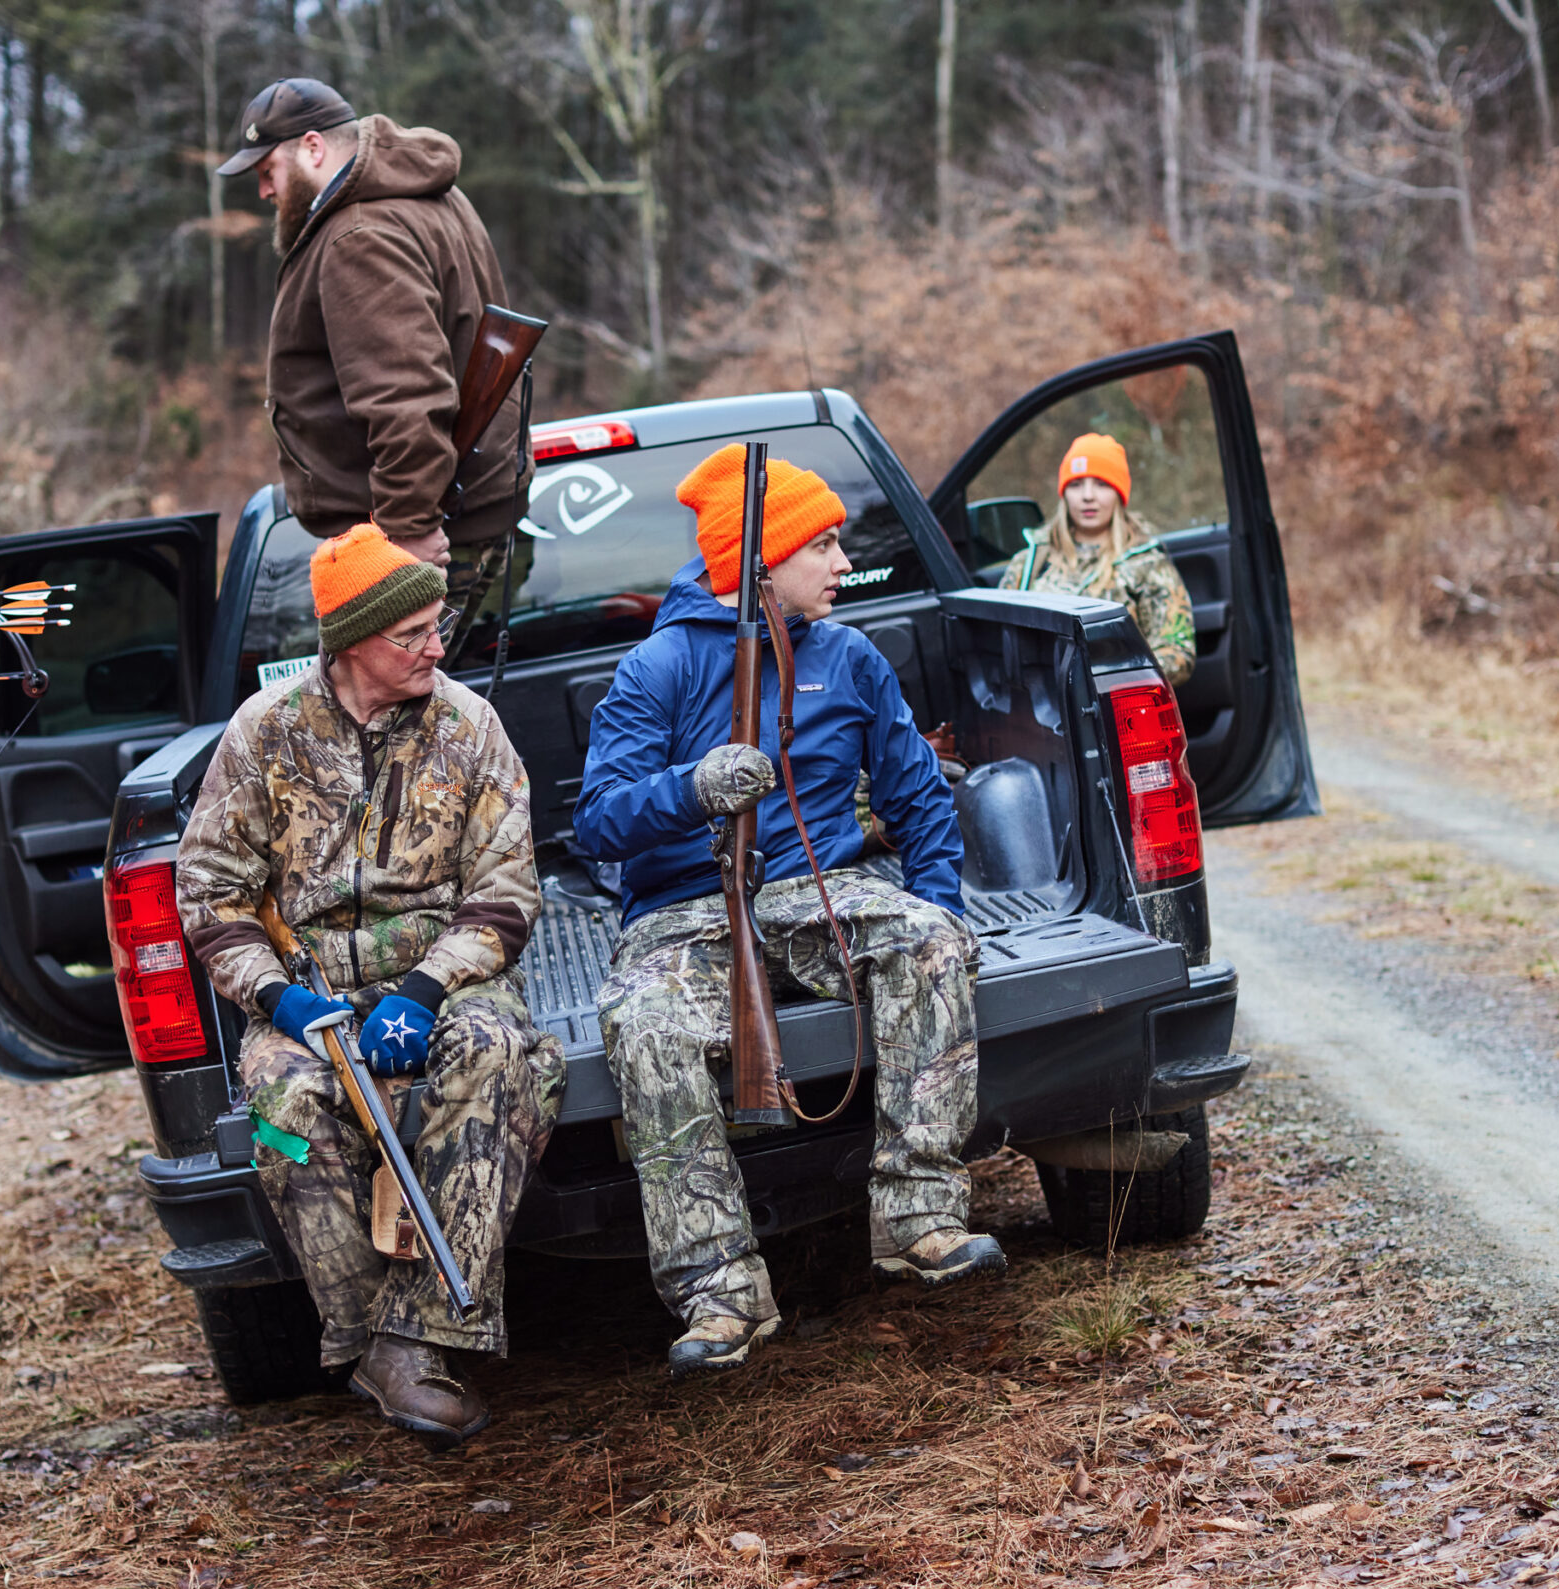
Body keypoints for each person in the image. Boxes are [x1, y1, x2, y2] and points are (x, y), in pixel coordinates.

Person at [574, 446, 1005, 1381]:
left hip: (816, 892)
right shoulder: (658, 668)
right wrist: (690, 791)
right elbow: (598, 821)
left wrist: (938, 907)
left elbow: (921, 796)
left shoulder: (849, 657)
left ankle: (919, 1215)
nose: (845, 564)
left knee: (930, 942)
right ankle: (720, 1285)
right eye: (825, 545)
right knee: (641, 1024)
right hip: (684, 909)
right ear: (760, 564)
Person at [176, 525, 564, 1446]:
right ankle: (371, 1344)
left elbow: (507, 894)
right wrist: (281, 1002)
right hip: (307, 987)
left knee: (503, 1055)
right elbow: (209, 891)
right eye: (416, 633)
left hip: (442, 973)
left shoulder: (471, 727)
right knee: (282, 1113)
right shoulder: (262, 734)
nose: (438, 646)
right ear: (351, 643)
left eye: (440, 626)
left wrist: (426, 991)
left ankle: (425, 1330)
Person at [216, 77, 533, 633]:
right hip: (465, 511)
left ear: (313, 148)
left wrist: (406, 534)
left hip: (421, 534)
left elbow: (406, 400)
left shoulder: (356, 236)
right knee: (435, 714)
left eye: (269, 171)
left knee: (387, 717)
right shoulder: (429, 196)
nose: (264, 191)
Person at [1005, 432, 1196, 688]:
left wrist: (1112, 682)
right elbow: (1001, 641)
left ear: (1119, 493)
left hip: (1114, 710)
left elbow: (1177, 651)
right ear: (1064, 494)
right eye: (1076, 484)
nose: (1087, 496)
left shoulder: (1147, 563)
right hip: (1037, 707)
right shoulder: (1029, 563)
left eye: (1101, 484)